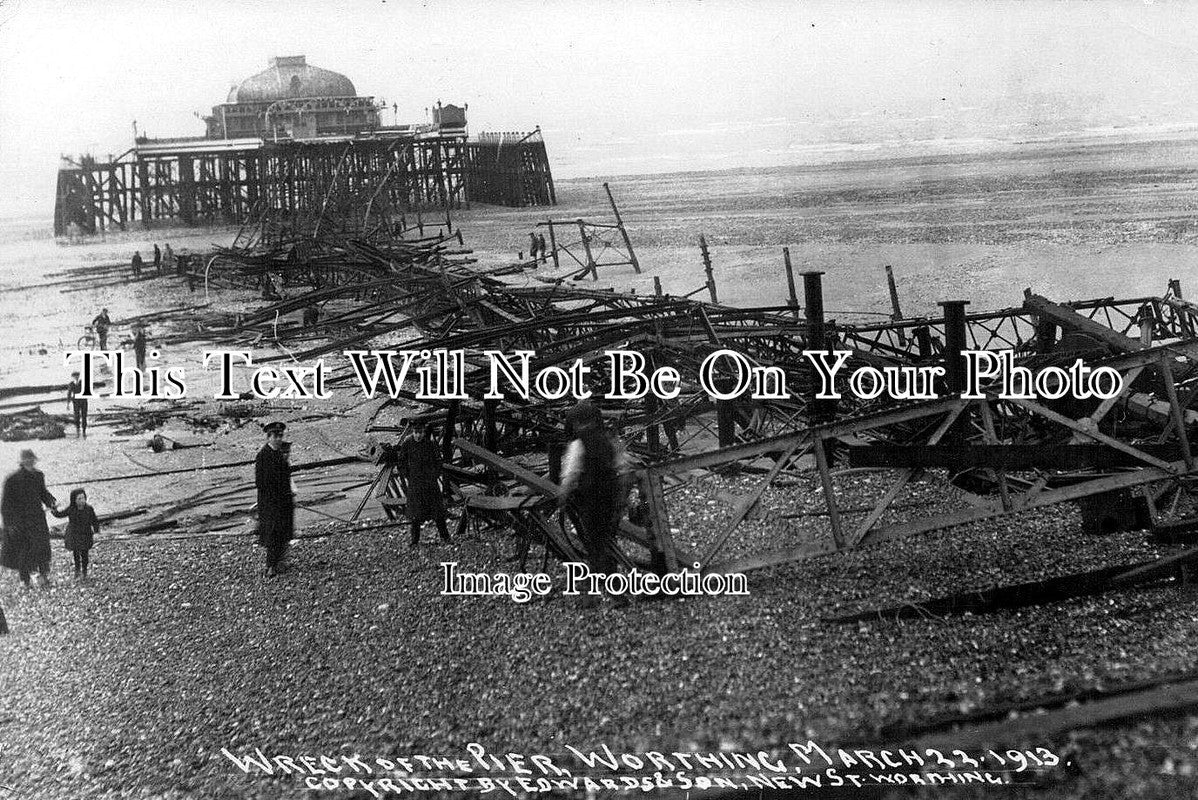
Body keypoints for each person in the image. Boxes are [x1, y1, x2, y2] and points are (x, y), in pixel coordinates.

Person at [558, 400, 630, 604]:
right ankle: (614, 590)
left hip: (590, 498)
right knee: (607, 539)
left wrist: (563, 494)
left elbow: (571, 473)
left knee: (594, 544)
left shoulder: (578, 444)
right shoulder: (608, 440)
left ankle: (599, 595)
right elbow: (622, 466)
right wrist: (621, 495)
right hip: (610, 495)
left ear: (575, 423)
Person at [0, 450, 57, 588]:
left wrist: (51, 502)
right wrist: (9, 524)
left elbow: (43, 493)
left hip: (37, 519)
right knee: (23, 551)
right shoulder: (12, 480)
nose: (31, 463)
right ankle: (24, 580)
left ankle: (44, 576)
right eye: (28, 461)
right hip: (21, 522)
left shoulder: (38, 476)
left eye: (32, 460)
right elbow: (5, 504)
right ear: (23, 462)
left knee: (42, 547)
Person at [399, 422, 450, 547]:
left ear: (424, 432)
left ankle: (445, 536)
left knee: (437, 512)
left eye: (420, 432)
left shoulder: (430, 444)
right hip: (415, 483)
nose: (418, 435)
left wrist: (435, 474)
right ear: (412, 432)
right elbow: (401, 461)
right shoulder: (407, 444)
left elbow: (438, 460)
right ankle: (414, 540)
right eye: (416, 432)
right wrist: (408, 475)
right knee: (415, 514)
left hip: (430, 483)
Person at [255, 421, 294, 576]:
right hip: (271, 503)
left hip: (283, 501)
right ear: (268, 437)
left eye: (280, 436)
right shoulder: (263, 455)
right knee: (273, 534)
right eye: (275, 436)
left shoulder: (280, 454)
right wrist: (276, 493)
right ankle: (270, 566)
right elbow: (260, 482)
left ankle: (280, 562)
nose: (278, 439)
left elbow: (286, 475)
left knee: (283, 532)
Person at [50, 488, 99, 580]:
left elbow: (95, 521)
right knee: (76, 553)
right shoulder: (71, 509)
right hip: (74, 534)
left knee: (85, 553)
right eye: (79, 499)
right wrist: (54, 510)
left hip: (85, 533)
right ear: (74, 500)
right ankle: (77, 571)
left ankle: (84, 571)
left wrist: (96, 531)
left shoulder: (89, 509)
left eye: (83, 498)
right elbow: (60, 514)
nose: (82, 500)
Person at [66, 371, 88, 437]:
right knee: (77, 416)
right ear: (72, 377)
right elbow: (69, 393)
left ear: (79, 376)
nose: (76, 377)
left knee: (84, 416)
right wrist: (68, 403)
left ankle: (84, 431)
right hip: (76, 402)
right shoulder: (71, 384)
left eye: (77, 375)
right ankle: (78, 429)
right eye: (75, 376)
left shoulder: (83, 382)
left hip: (83, 401)